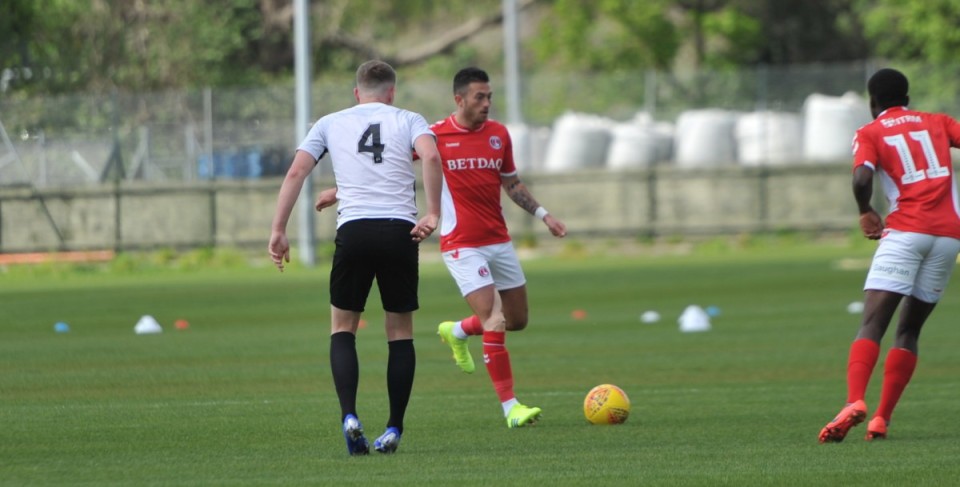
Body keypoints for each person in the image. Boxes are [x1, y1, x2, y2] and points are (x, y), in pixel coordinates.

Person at [269, 60, 443, 455]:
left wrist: (278, 229)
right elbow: (430, 158)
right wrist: (433, 213)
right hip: (400, 232)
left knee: (343, 329)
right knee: (400, 332)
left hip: (354, 231)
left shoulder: (330, 123)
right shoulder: (409, 119)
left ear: (356, 92)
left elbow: (296, 173)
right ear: (391, 92)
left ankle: (349, 415)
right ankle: (394, 427)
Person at [818, 68, 960, 443]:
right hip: (948, 237)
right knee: (909, 330)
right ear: (907, 99)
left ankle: (854, 401)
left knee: (872, 325)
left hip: (906, 233)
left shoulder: (870, 132)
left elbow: (862, 178)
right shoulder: (939, 122)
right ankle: (881, 418)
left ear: (872, 103)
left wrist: (865, 210)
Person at [432, 67, 566, 428]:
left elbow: (512, 183)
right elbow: (389, 165)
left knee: (517, 320)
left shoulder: (498, 134)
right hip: (461, 243)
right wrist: (342, 189)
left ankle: (458, 331)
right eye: (480, 97)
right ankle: (511, 408)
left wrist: (544, 215)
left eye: (489, 96)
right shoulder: (434, 135)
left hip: (498, 239)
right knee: (495, 318)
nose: (487, 103)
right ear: (459, 99)